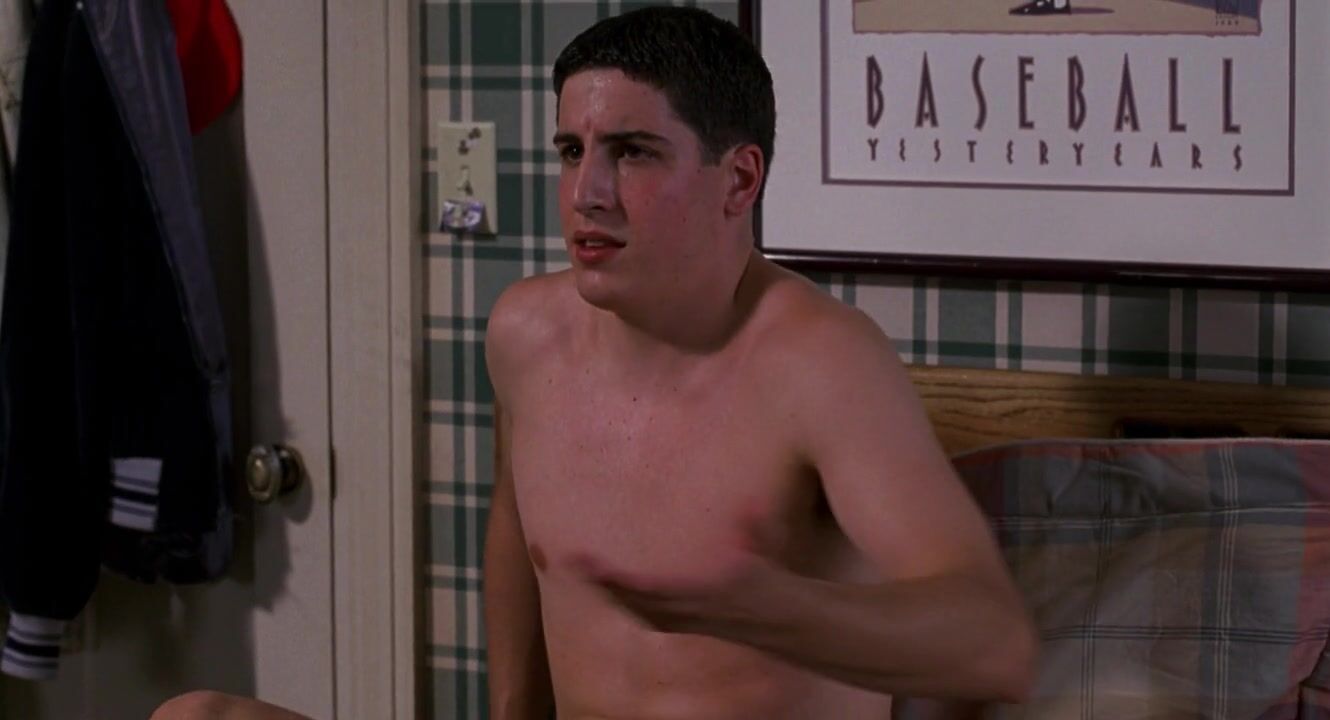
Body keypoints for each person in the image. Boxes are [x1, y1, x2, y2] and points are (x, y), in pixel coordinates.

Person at [483, 6, 1038, 720]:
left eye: (633, 152)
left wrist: (770, 611)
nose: (586, 193)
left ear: (740, 180)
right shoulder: (524, 336)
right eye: (570, 151)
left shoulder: (822, 364)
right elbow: (517, 538)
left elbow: (994, 645)